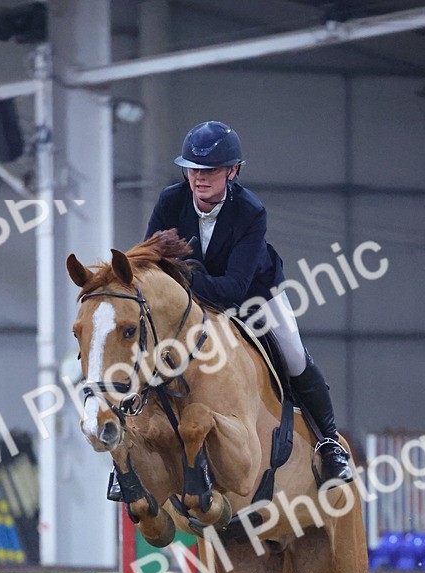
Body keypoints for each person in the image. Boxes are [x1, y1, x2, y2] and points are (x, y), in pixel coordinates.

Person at [139, 119, 353, 487]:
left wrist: (181, 279)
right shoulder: (170, 201)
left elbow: (234, 288)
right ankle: (127, 455)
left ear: (232, 171)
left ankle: (330, 443)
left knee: (293, 353)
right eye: (192, 169)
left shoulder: (250, 211)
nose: (199, 178)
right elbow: (148, 262)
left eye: (210, 170)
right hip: (192, 298)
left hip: (253, 294)